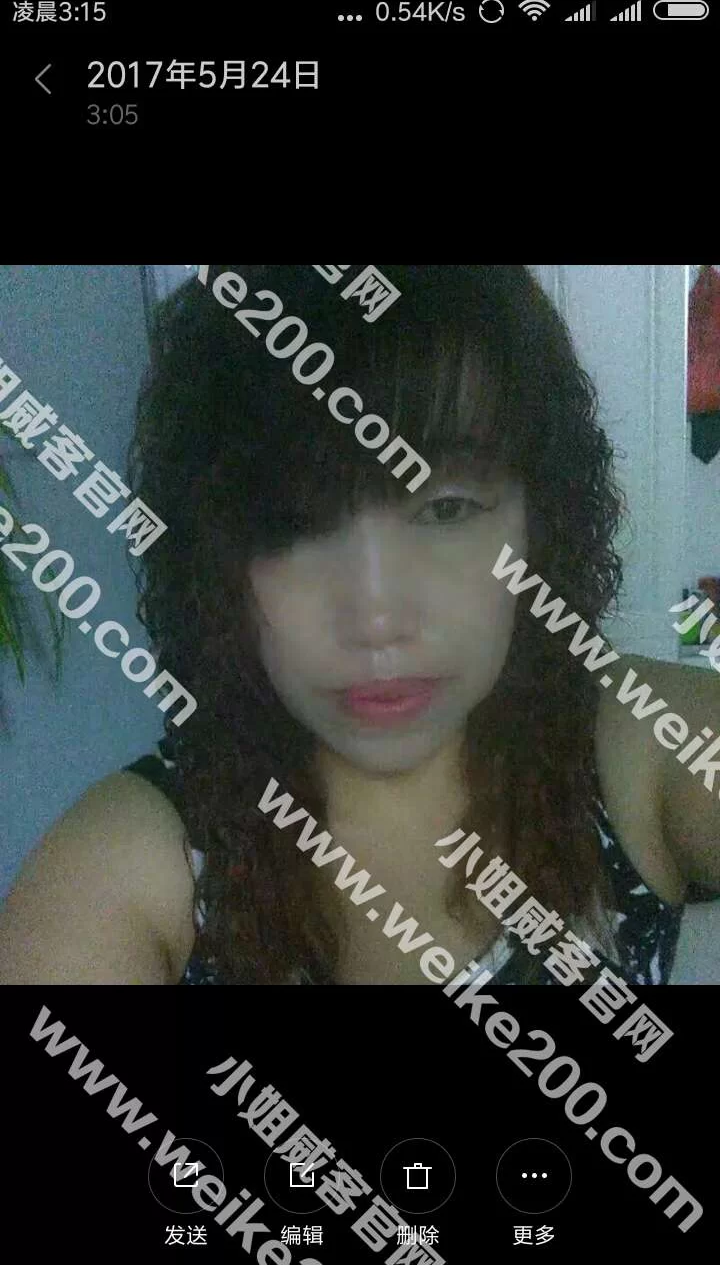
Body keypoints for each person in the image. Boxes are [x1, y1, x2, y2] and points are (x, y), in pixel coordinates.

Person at [1, 264, 718, 987]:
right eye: (294, 525)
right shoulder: (130, 867)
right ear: (217, 559)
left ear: (540, 522)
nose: (377, 621)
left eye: (446, 509)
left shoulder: (641, 749)